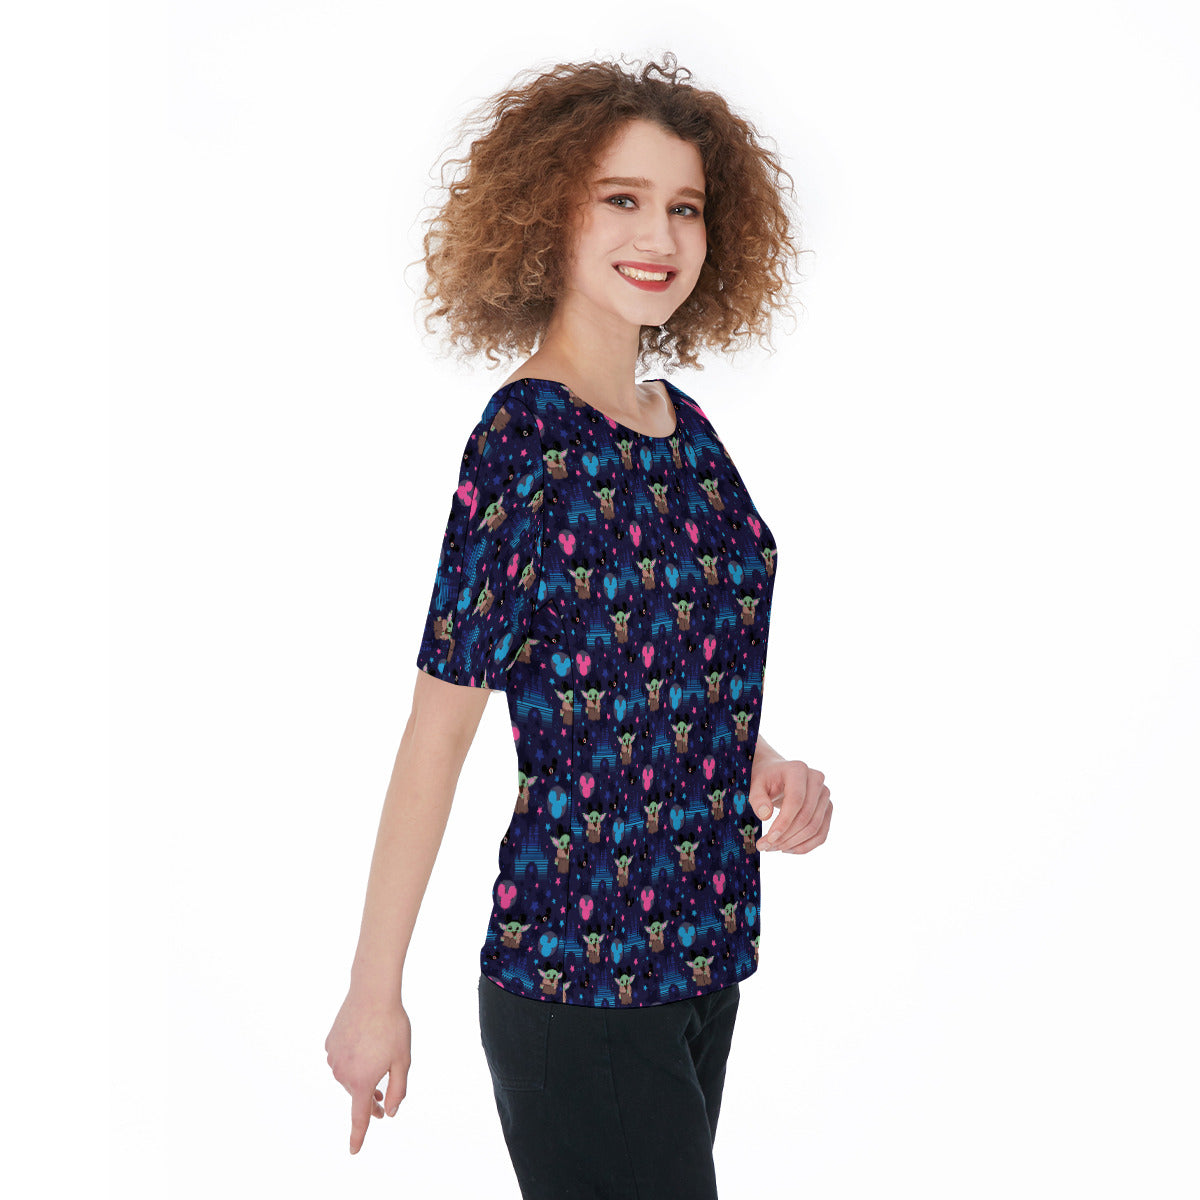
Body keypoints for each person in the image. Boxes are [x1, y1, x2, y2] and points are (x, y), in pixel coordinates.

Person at [325, 53, 833, 1197]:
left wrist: (761, 761)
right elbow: (439, 729)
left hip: (702, 960)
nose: (661, 234)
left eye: (686, 207)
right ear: (550, 209)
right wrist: (373, 994)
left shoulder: (684, 428)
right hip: (579, 978)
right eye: (624, 198)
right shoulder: (525, 443)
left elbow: (652, 667)